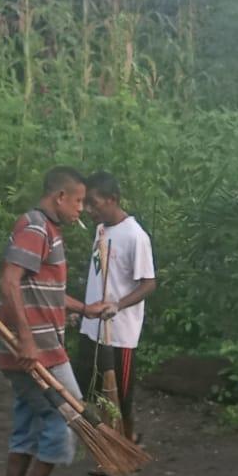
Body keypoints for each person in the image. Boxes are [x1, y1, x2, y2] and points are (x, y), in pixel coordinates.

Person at [0, 167, 104, 476]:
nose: (82, 209)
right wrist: (27, 341)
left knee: (29, 420)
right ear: (60, 197)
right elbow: (9, 283)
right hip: (36, 351)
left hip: (35, 347)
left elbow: (42, 290)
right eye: (79, 201)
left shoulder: (45, 230)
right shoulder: (36, 228)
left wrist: (85, 309)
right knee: (67, 414)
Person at [74, 172, 156, 449]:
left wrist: (118, 305)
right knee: (85, 387)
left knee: (122, 393)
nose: (88, 210)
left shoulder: (135, 236)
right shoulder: (100, 230)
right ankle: (103, 440)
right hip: (92, 325)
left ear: (113, 200)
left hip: (120, 331)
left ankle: (129, 443)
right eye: (86, 203)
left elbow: (149, 283)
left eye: (94, 203)